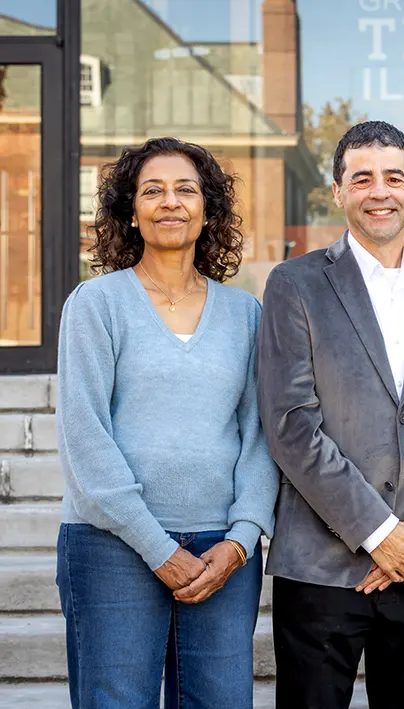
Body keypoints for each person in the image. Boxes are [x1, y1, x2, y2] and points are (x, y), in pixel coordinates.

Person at [257, 120, 404, 709]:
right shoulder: (293, 284)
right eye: (362, 178)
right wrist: (378, 532)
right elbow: (291, 424)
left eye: (393, 177)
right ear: (338, 192)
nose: (379, 191)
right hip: (321, 566)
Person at [55, 137, 278, 709]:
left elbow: (261, 436)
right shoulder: (95, 304)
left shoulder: (245, 313)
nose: (170, 202)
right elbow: (85, 437)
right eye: (151, 191)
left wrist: (242, 539)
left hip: (220, 552)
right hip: (113, 546)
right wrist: (157, 548)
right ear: (130, 211)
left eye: (186, 189)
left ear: (208, 209)